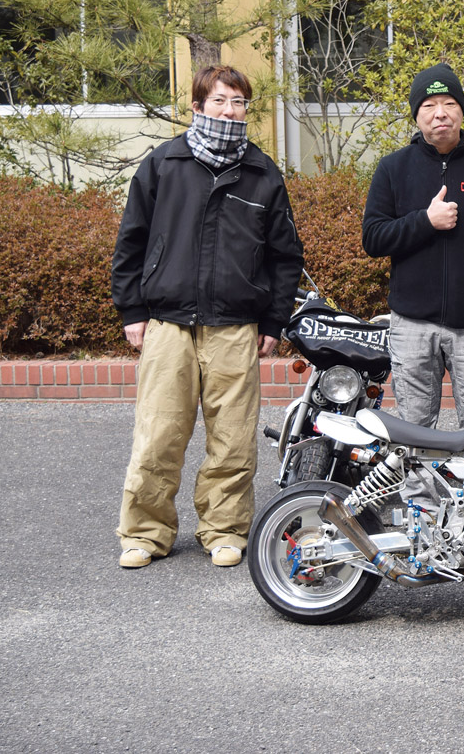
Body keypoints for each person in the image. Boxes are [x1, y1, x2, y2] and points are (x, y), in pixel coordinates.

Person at [112, 65, 304, 569]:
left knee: (233, 439)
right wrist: (132, 310)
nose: (229, 111)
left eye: (238, 102)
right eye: (219, 101)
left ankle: (225, 529)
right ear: (197, 107)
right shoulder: (164, 164)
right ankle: (144, 533)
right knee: (158, 435)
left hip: (235, 327)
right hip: (168, 324)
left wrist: (273, 322)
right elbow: (131, 240)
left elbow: (285, 257)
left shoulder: (262, 173)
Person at [362, 63, 464, 431]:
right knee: (415, 429)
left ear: (461, 111)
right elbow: (373, 238)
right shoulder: (393, 168)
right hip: (411, 325)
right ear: (416, 115)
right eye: (429, 105)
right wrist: (425, 221)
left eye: (449, 103)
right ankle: (421, 475)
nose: (440, 113)